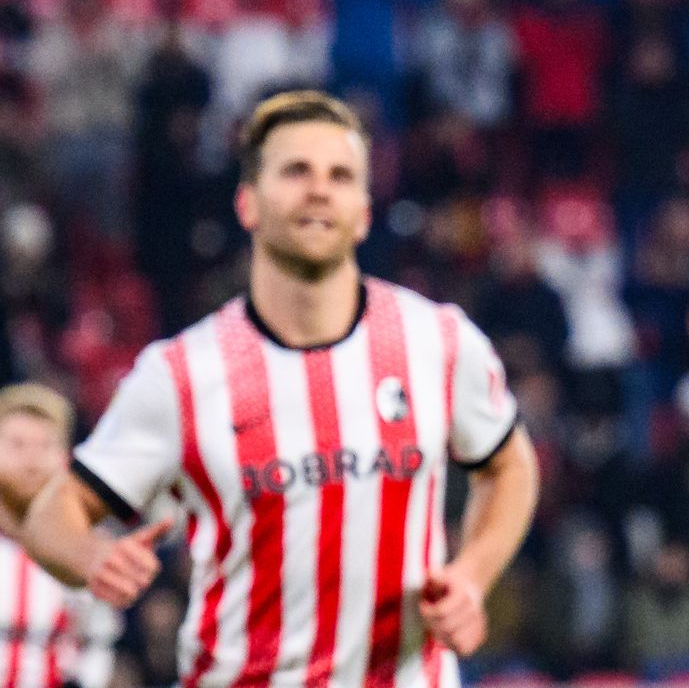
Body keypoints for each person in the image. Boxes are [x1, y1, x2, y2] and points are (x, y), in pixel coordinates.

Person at [5, 90, 541, 688]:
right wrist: (91, 557)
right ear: (248, 204)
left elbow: (510, 465)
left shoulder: (437, 341)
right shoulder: (182, 374)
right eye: (296, 172)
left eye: (340, 176)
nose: (319, 190)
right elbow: (51, 515)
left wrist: (472, 575)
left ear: (364, 212)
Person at [0, 385, 120, 688]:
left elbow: (99, 643)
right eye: (17, 444)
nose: (32, 458)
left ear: (66, 457)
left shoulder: (89, 547)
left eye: (45, 446)